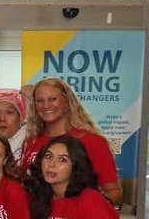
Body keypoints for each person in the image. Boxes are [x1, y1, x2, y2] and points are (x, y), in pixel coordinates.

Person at [22, 77, 121, 206]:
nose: (46, 106)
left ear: (67, 101)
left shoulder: (92, 141)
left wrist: (86, 207)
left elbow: (114, 192)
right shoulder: (31, 141)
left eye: (53, 99)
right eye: (40, 101)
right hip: (38, 216)